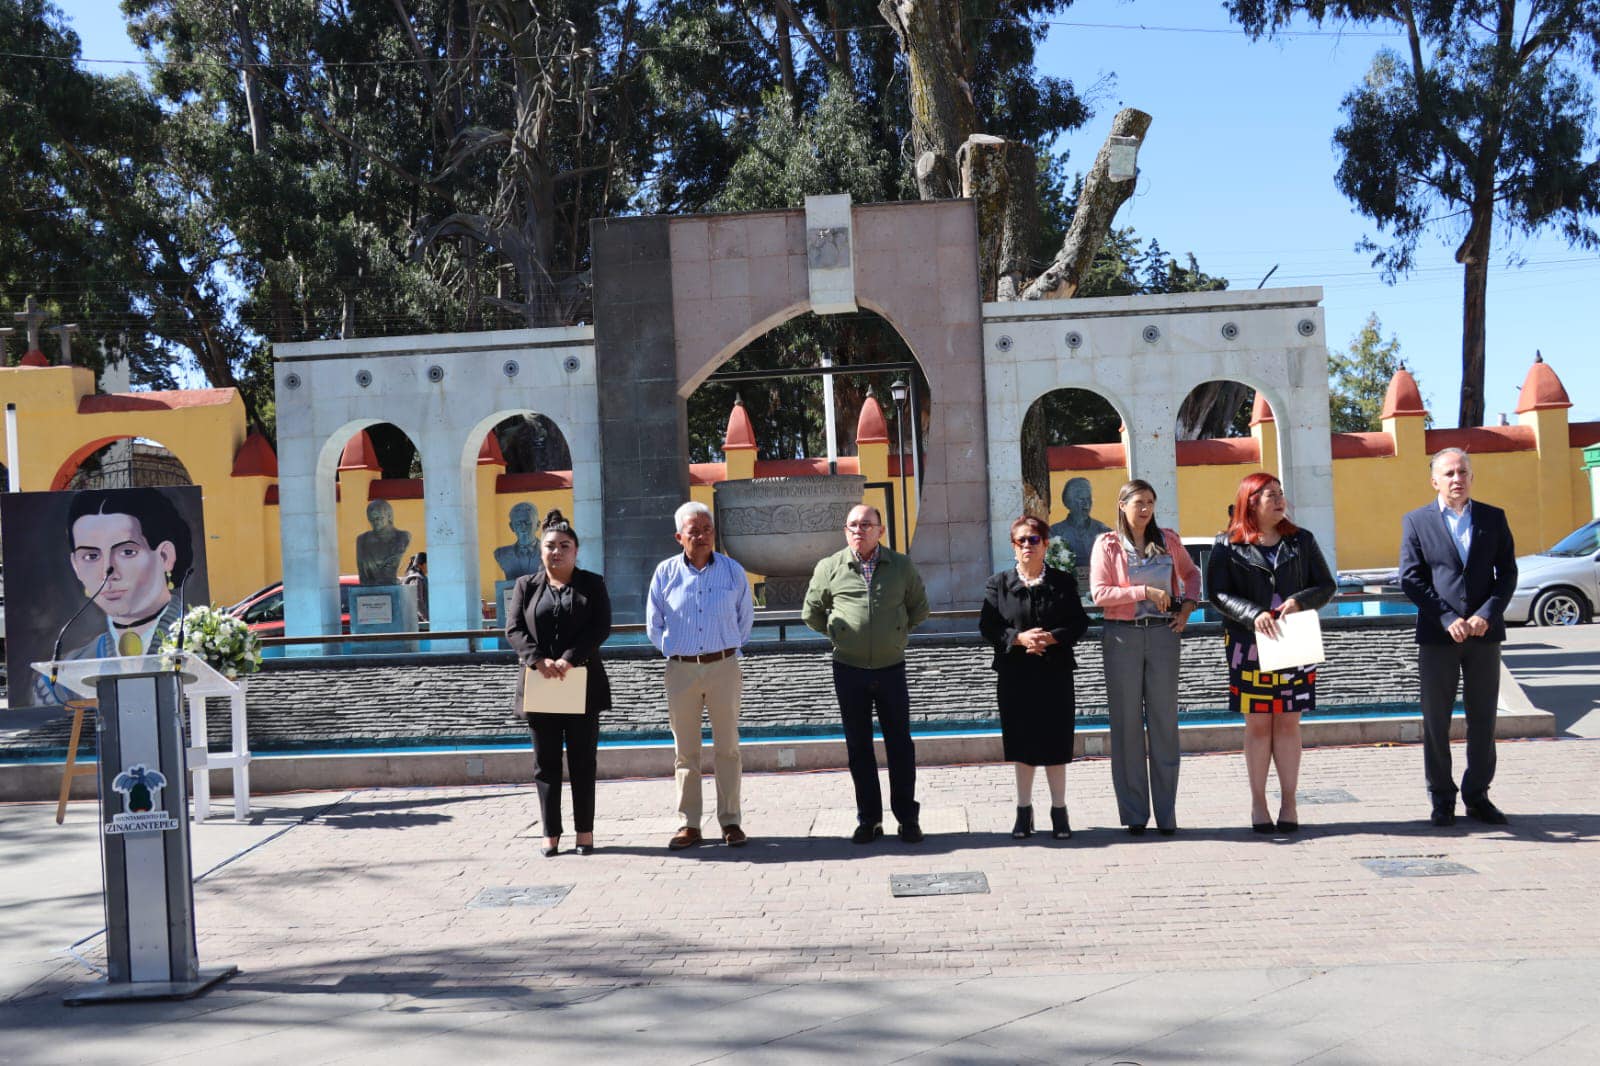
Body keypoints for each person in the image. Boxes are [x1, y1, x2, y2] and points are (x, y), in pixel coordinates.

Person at [1207, 473, 1335, 834]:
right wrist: (1254, 614)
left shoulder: (1301, 540)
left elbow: (1326, 585)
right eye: (1270, 495)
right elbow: (1217, 593)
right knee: (1259, 724)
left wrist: (1299, 601)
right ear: (1250, 502)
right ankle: (1259, 803)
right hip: (1249, 645)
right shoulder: (1228, 545)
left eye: (1281, 494)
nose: (1280, 500)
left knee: (1289, 722)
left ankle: (1290, 803)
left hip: (1294, 640)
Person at [1399, 447, 1517, 827]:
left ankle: (1478, 795)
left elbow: (1507, 574)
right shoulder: (1417, 521)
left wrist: (1487, 614)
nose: (1457, 479)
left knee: (1483, 719)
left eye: (1463, 472)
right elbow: (1410, 578)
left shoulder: (1493, 518)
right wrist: (1447, 617)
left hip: (1484, 636)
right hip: (1438, 637)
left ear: (1471, 477)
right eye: (1449, 473)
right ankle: (1442, 798)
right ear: (1434, 480)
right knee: (1437, 721)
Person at [803, 503, 931, 844]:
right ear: (845, 531)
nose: (858, 530)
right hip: (849, 668)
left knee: (899, 745)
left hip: (891, 667)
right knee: (859, 747)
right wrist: (840, 634)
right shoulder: (830, 567)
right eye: (853, 525)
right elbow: (811, 612)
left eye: (866, 524)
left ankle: (907, 819)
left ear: (880, 530)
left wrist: (896, 633)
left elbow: (919, 608)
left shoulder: (901, 566)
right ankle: (869, 820)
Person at [1089, 479, 1201, 836]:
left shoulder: (1167, 540)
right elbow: (1099, 594)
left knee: (1164, 723)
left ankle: (1167, 815)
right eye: (1139, 502)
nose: (1145, 509)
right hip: (1122, 636)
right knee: (1126, 725)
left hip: (1164, 635)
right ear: (1122, 504)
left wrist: (1188, 607)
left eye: (1150, 502)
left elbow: (1192, 575)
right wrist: (1143, 592)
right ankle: (1135, 814)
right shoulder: (1107, 544)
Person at [646, 501, 754, 850]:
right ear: (679, 537)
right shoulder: (665, 573)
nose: (703, 536)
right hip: (681, 670)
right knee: (685, 751)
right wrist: (677, 649)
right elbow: (654, 623)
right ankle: (688, 824)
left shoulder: (733, 571)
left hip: (724, 666)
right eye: (694, 531)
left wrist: (726, 647)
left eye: (708, 530)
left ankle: (731, 821)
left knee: (728, 748)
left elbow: (745, 618)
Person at [505, 510, 612, 857]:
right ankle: (550, 832)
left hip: (580, 684)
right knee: (545, 764)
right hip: (540, 684)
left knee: (583, 762)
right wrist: (537, 659)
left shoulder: (592, 584)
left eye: (565, 546)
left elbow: (600, 628)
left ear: (576, 551)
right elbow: (514, 629)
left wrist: (568, 658)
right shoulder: (526, 586)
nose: (557, 551)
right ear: (541, 551)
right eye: (550, 545)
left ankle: (585, 832)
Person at [978, 515, 1091, 840]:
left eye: (1034, 539)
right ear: (1013, 546)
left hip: (1055, 672)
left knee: (1056, 742)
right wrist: (1019, 639)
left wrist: (1051, 638)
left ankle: (1059, 810)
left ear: (1045, 544)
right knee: (1022, 743)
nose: (1027, 545)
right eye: (1021, 540)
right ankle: (1023, 810)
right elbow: (988, 626)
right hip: (1016, 674)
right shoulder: (998, 584)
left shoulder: (1062, 581)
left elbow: (1079, 623)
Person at [37, 488, 196, 705]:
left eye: (127, 552)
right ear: (76, 566)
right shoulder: (64, 677)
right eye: (91, 556)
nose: (108, 571)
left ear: (165, 556)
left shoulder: (204, 643)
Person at [1049, 477, 1112, 566]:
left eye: (1089, 498)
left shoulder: (1104, 532)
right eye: (1081, 499)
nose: (1086, 504)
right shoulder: (1055, 533)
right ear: (1068, 502)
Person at [355, 499, 410, 585]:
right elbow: (363, 576)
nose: (375, 522)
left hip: (391, 586)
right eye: (371, 519)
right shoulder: (362, 540)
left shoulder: (402, 537)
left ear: (389, 516)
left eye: (379, 518)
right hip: (369, 589)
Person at [494, 502, 542, 580]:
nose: (523, 527)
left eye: (528, 522)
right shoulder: (501, 554)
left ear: (538, 525)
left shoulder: (550, 552)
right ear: (511, 526)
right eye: (518, 523)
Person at [401, 552, 429, 622]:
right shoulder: (416, 578)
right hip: (418, 622)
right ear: (420, 565)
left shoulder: (420, 577)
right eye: (428, 564)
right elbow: (418, 601)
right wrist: (427, 619)